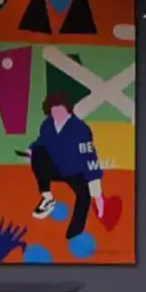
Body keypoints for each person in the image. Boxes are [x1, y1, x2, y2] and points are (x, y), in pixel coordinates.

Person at [26, 91, 104, 241]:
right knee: (38, 152)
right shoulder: (47, 125)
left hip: (76, 171)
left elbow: (89, 157)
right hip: (55, 168)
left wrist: (97, 191)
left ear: (68, 108)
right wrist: (31, 149)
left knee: (84, 196)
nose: (56, 113)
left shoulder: (80, 128)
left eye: (59, 109)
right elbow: (41, 141)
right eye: (53, 110)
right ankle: (47, 198)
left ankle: (75, 233)